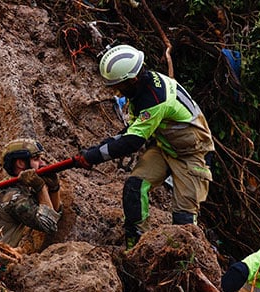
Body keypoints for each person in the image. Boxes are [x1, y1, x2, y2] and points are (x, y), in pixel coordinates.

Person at [73, 44, 214, 251]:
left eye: (119, 86)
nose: (117, 91)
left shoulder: (155, 99)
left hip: (193, 154)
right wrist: (101, 147)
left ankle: (187, 266)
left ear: (132, 79)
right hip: (164, 147)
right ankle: (136, 248)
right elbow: (132, 130)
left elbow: (132, 142)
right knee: (135, 187)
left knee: (184, 220)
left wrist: (94, 156)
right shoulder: (141, 89)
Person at [0, 138, 62, 248]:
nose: (42, 163)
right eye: (36, 159)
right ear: (20, 163)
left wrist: (54, 188)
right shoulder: (12, 197)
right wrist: (40, 188)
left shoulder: (21, 188)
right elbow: (49, 225)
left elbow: (54, 213)